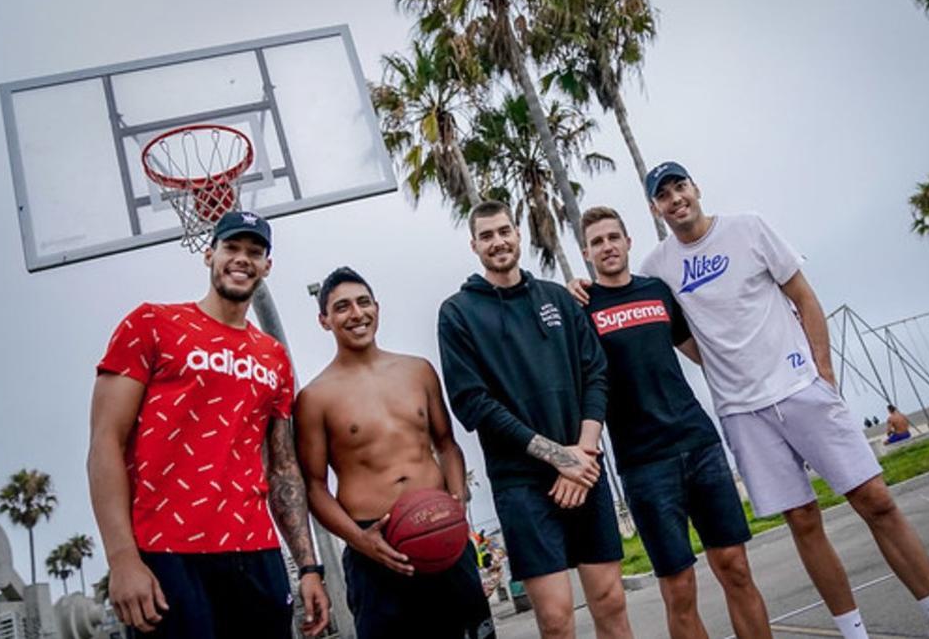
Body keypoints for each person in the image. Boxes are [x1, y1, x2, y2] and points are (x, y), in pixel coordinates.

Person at [570, 162, 929, 639]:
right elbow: (676, 338)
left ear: (695, 188)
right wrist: (578, 288)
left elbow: (804, 297)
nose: (676, 198)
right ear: (654, 209)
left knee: (876, 501)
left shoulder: (748, 229)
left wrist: (823, 375)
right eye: (664, 194)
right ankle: (854, 633)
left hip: (801, 389)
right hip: (742, 415)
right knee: (803, 521)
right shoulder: (657, 271)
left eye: (680, 186)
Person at [88, 211, 329, 638]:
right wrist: (122, 556)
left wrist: (308, 565)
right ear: (208, 255)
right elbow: (105, 441)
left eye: (254, 252)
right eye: (231, 248)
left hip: (255, 549)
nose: (242, 259)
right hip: (167, 550)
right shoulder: (151, 324)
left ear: (267, 266)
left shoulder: (271, 356)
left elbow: (283, 467)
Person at [437, 200, 633, 639]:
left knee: (611, 602)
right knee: (557, 619)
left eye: (504, 231)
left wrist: (579, 455)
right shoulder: (458, 313)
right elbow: (474, 404)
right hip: (522, 484)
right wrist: (555, 456)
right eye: (487, 236)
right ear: (474, 245)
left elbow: (595, 374)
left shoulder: (558, 298)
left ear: (518, 234)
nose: (498, 241)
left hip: (584, 468)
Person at [579, 206, 772, 639]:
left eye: (613, 237)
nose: (607, 247)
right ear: (586, 253)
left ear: (628, 242)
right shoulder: (583, 308)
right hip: (644, 463)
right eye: (597, 242)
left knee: (735, 568)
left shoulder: (658, 292)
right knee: (679, 588)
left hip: (698, 442)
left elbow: (705, 352)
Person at [295, 267, 494, 639]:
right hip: (375, 550)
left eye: (363, 302)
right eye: (341, 307)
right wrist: (361, 540)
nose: (356, 314)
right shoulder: (314, 398)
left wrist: (456, 504)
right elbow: (315, 488)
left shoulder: (418, 371)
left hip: (442, 536)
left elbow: (447, 445)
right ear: (324, 320)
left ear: (378, 308)